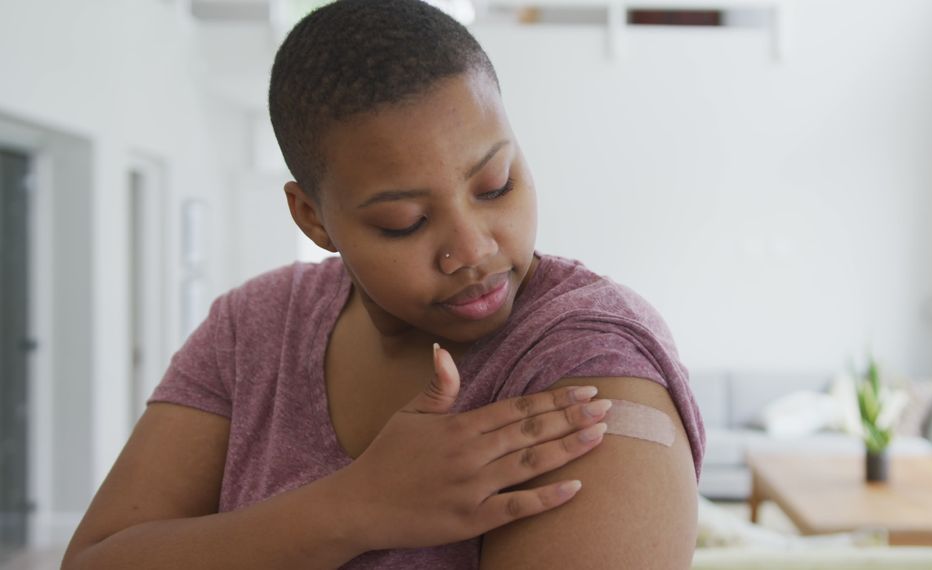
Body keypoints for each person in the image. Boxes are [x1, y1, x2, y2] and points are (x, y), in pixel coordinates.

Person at [62, 0, 705, 568]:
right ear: (313, 218)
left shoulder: (590, 359)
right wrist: (354, 508)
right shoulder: (254, 325)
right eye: (405, 222)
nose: (472, 250)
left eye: (495, 185)